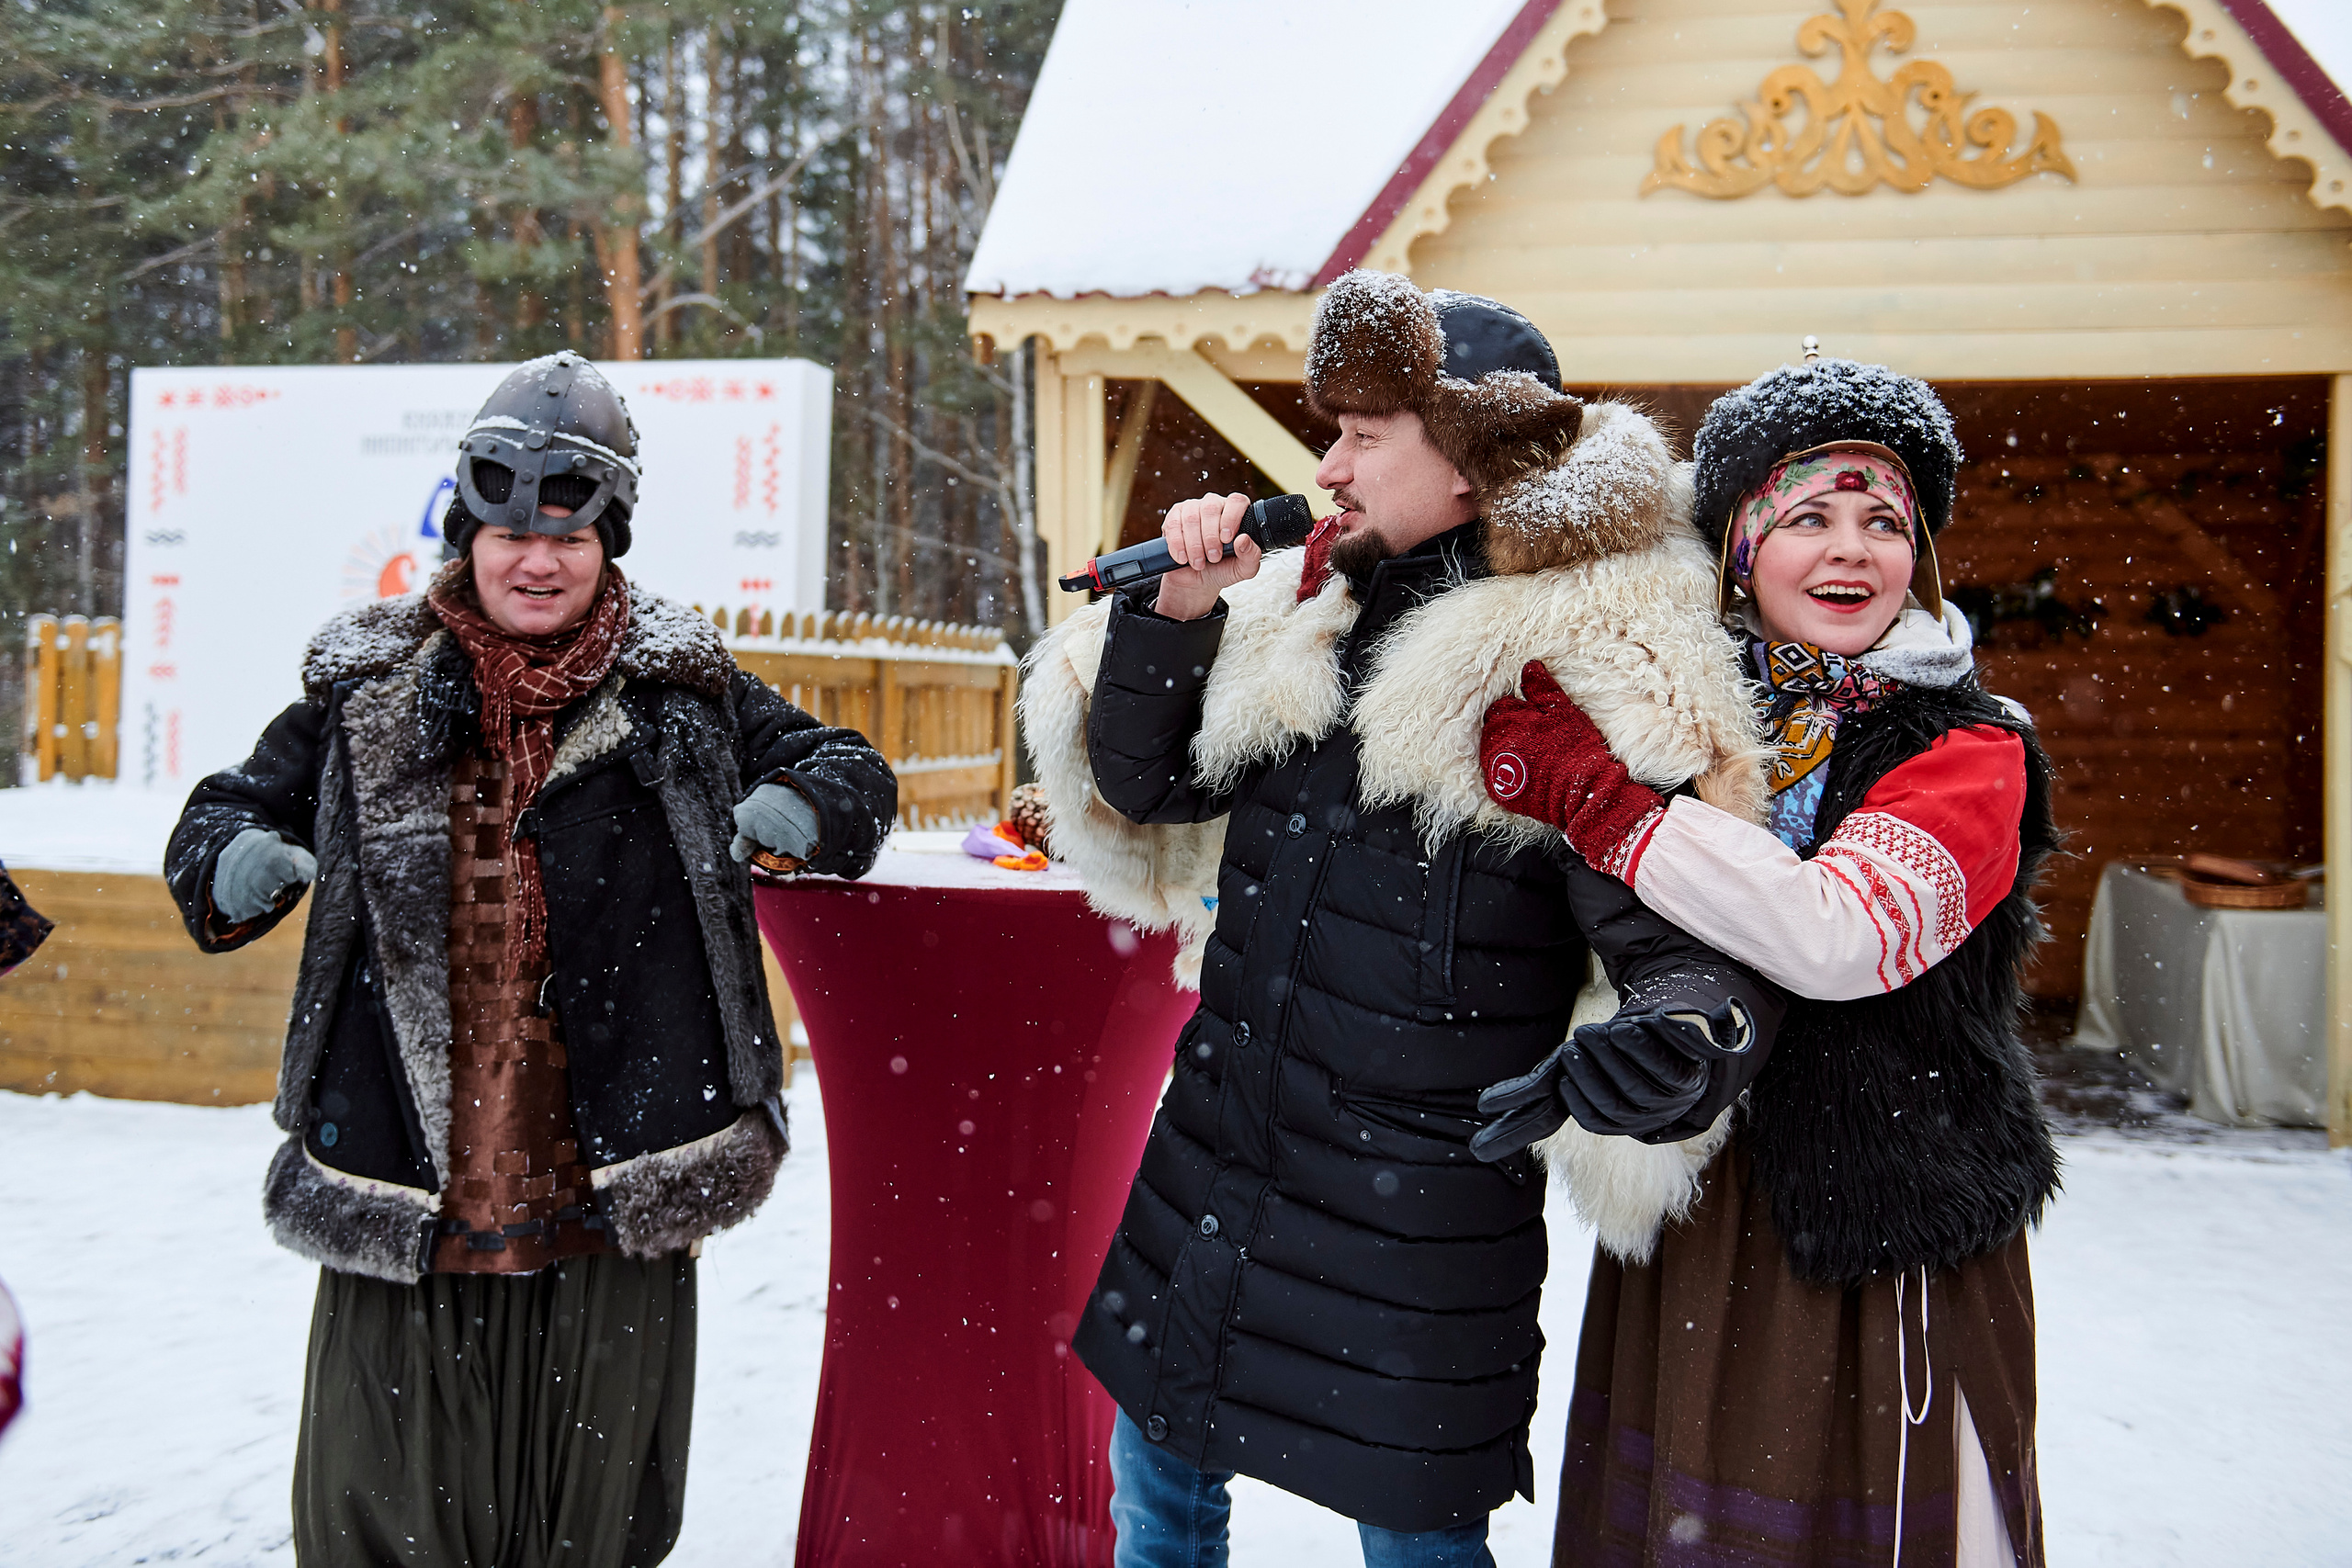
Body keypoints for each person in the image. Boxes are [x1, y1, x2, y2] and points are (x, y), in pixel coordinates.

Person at [1021, 270, 1785, 1567]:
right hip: (1221, 1152)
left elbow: (1675, 941)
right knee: (1154, 1495)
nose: (1327, 465)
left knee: (1417, 1544)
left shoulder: (1584, 666)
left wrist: (1672, 1031)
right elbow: (1150, 787)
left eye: (1366, 438)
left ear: (1479, 465)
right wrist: (1184, 613)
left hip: (1415, 1210)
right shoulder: (1312, 610)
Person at [164, 351, 895, 1567]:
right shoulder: (368, 691)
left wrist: (797, 808)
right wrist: (234, 854)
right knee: (384, 1517)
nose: (533, 560)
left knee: (589, 1524)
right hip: (409, 1176)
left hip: (617, 1181)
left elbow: (848, 770)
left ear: (610, 540)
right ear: (467, 533)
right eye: (505, 531)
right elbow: (225, 809)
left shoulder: (683, 691)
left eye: (567, 533)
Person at [1474, 355, 2060, 1566]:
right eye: (1808, 519)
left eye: (1882, 523)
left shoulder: (1971, 749)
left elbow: (1837, 935)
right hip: (1706, 1204)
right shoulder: (1686, 711)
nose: (1850, 551)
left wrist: (1608, 806)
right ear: (1741, 548)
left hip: (1894, 1219)